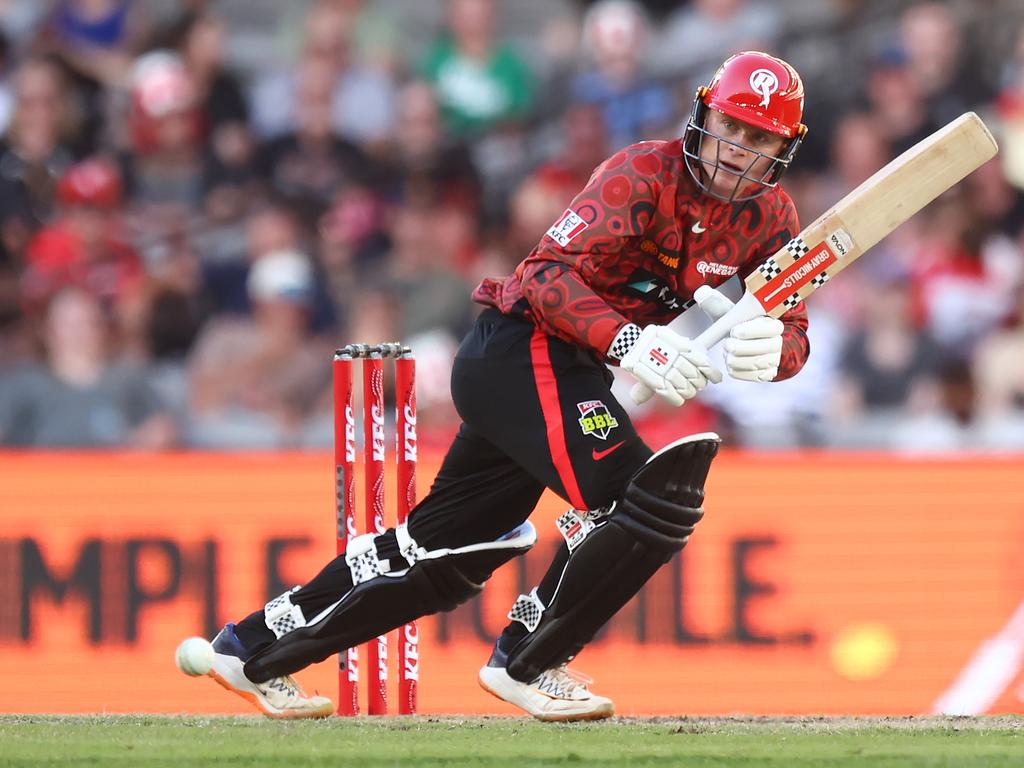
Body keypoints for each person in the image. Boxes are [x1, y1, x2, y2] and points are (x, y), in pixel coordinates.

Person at [180, 51, 811, 721]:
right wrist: (631, 341)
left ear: (782, 148)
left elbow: (794, 330)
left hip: (565, 373)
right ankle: (528, 657)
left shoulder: (771, 217)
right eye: (731, 127)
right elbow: (543, 277)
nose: (738, 149)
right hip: (521, 350)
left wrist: (772, 351)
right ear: (704, 115)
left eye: (758, 137)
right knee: (648, 497)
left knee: (443, 555)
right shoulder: (643, 173)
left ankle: (250, 649)